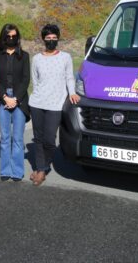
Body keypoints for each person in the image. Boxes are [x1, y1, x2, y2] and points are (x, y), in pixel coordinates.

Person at [29, 24, 80, 186]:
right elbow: (35, 81)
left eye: (54, 38)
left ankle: (43, 168)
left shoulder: (65, 57)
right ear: (43, 39)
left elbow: (69, 77)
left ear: (57, 39)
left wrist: (72, 92)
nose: (51, 40)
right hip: (37, 102)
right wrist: (39, 95)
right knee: (38, 138)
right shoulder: (36, 58)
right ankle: (40, 168)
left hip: (56, 104)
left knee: (49, 140)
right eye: (48, 38)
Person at [0, 24, 30, 182]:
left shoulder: (24, 55)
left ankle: (17, 171)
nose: (11, 39)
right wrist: (5, 97)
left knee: (18, 138)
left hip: (19, 100)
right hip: (3, 99)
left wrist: (16, 99)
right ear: (4, 37)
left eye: (14, 36)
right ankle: (5, 170)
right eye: (8, 36)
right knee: (5, 137)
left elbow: (26, 79)